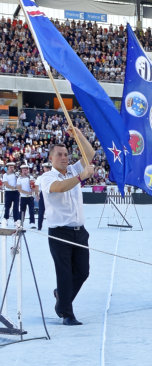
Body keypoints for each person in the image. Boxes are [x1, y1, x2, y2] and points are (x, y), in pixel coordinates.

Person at [38, 129, 95, 326]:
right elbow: (59, 188)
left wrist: (78, 135)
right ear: (51, 158)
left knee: (82, 272)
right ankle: (66, 313)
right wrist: (81, 177)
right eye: (59, 155)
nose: (63, 158)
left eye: (65, 154)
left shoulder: (72, 170)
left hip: (79, 231)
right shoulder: (46, 177)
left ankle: (61, 296)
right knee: (63, 273)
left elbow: (90, 155)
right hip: (60, 232)